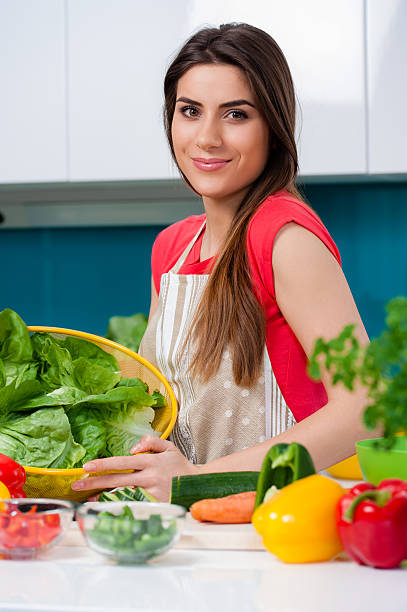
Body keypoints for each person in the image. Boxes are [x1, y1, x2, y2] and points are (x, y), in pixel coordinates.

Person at [72, 23, 371, 502]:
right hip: (191, 527)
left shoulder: (285, 238)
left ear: (273, 127)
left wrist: (198, 480)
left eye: (235, 114)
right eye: (190, 111)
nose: (206, 137)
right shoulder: (172, 248)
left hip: (279, 519)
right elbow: (157, 405)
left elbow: (366, 408)